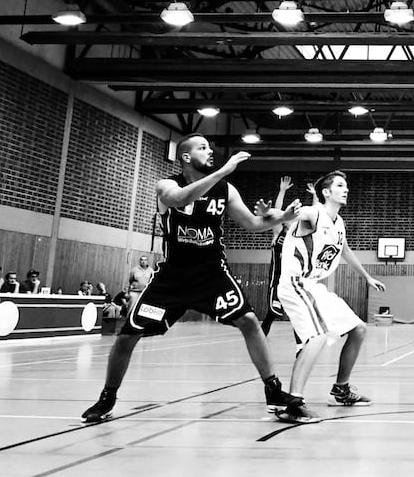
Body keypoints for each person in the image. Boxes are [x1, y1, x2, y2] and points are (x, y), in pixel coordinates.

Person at [80, 134, 305, 423]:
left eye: (210, 148)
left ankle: (273, 390)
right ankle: (107, 397)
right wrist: (224, 170)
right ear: (186, 157)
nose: (210, 152)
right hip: (172, 278)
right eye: (203, 148)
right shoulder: (167, 185)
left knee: (249, 320)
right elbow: (180, 198)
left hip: (211, 273)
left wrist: (281, 217)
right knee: (127, 336)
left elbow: (252, 224)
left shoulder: (226, 189)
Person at [274, 170, 385, 423]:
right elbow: (283, 219)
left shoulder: (339, 222)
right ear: (326, 192)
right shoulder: (314, 214)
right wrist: (272, 214)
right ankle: (293, 404)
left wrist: (367, 277)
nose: (346, 189)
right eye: (340, 185)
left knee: (358, 329)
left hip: (314, 286)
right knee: (317, 338)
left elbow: (344, 250)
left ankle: (341, 389)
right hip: (295, 283)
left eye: (346, 186)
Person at [261, 175, 294, 336]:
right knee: (273, 312)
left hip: (291, 279)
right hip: (277, 278)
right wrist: (282, 191)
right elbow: (277, 211)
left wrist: (315, 196)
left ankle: (302, 343)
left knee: (297, 314)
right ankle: (262, 335)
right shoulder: (278, 233)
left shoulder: (297, 237)